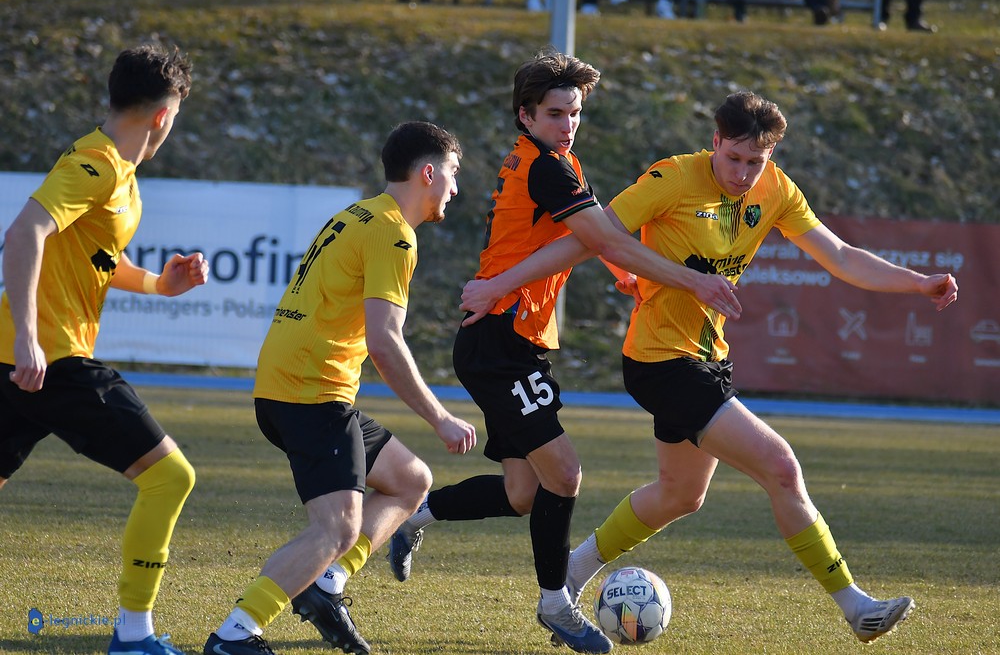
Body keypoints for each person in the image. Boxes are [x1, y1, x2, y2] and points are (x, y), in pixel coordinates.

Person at [457, 90, 959, 645]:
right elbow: (591, 239)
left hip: (708, 359)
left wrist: (918, 283)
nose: (742, 173)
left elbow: (839, 257)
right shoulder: (672, 178)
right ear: (715, 141)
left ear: (770, 156)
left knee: (680, 495)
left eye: (754, 162)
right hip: (660, 361)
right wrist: (501, 285)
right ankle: (856, 606)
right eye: (733, 157)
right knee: (781, 467)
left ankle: (572, 572)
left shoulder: (777, 190)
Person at [387, 50, 740, 655]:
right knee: (566, 473)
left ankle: (417, 514)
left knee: (523, 493)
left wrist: (624, 276)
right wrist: (689, 280)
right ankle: (556, 603)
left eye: (575, 112)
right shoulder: (546, 169)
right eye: (556, 113)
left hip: (513, 341)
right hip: (499, 341)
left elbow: (595, 235)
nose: (569, 123)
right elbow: (606, 237)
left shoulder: (558, 162)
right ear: (525, 116)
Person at [202, 121, 477, 655]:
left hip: (295, 385)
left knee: (411, 480)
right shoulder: (394, 233)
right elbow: (385, 341)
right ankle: (236, 634)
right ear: (428, 173)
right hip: (310, 392)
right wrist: (440, 418)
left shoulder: (360, 213)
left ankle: (326, 587)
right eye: (453, 173)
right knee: (335, 530)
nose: (455, 187)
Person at [0, 45, 207, 655]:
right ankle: (134, 635)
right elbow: (24, 232)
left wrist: (159, 284)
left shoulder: (115, 170)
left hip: (22, 360)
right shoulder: (96, 165)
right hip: (50, 360)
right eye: (176, 117)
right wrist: (29, 337)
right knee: (170, 477)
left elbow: (97, 257)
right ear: (163, 116)